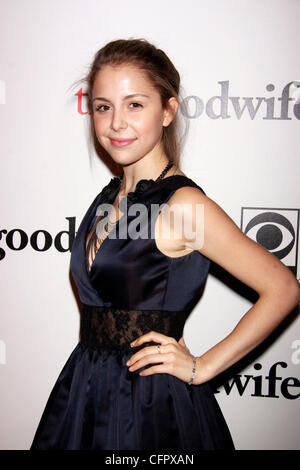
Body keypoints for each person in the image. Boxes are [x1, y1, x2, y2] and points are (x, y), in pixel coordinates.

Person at [30, 38, 300, 451]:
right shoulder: (110, 197)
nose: (116, 122)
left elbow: (282, 289)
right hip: (85, 389)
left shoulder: (182, 207)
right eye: (103, 107)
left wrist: (201, 366)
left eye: (134, 104)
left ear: (168, 110)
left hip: (147, 405)